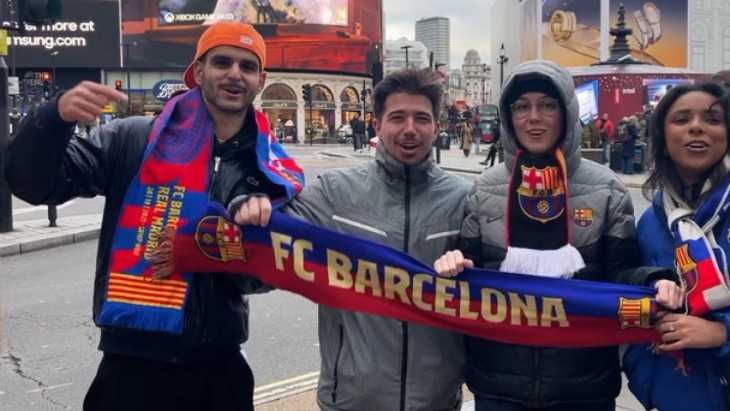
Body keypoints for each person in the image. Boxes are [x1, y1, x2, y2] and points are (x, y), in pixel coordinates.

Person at [5, 21, 303, 411]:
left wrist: (245, 244)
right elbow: (34, 184)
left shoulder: (269, 168)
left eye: (247, 66)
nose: (235, 74)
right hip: (130, 367)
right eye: (222, 62)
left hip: (219, 368)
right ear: (198, 72)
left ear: (260, 81)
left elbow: (267, 276)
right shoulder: (132, 139)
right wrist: (52, 120)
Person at [433, 60, 679, 411]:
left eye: (547, 105)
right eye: (522, 107)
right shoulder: (485, 188)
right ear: (509, 117)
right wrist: (453, 263)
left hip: (584, 388)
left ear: (567, 112)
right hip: (499, 387)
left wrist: (654, 281)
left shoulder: (607, 188)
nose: (533, 117)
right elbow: (470, 274)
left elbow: (621, 273)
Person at [232, 69, 469, 410]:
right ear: (377, 125)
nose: (410, 129)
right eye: (397, 118)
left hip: (437, 401)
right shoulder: (334, 193)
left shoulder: (463, 198)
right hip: (351, 400)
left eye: (421, 118)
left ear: (436, 127)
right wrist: (247, 204)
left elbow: (495, 282)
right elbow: (263, 255)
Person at [623, 82, 730, 411]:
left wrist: (722, 334)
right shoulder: (651, 221)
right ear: (663, 139)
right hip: (675, 394)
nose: (696, 127)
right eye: (682, 119)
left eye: (712, 119)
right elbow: (628, 290)